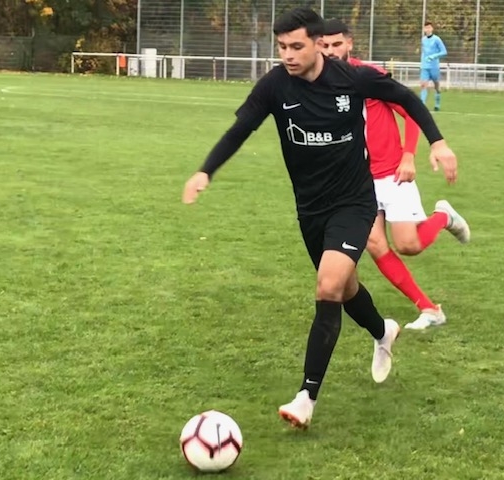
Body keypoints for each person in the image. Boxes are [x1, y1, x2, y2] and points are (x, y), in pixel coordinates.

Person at [182, 7, 458, 429]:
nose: (288, 55)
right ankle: (383, 331)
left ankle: (305, 398)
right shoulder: (275, 86)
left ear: (317, 45)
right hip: (310, 209)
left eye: (297, 46)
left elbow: (404, 98)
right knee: (345, 290)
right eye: (282, 47)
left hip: (354, 203)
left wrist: (437, 143)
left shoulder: (352, 79)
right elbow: (240, 130)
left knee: (328, 286)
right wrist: (206, 170)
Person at [322, 19, 470, 330]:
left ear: (349, 44)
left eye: (337, 44)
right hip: (358, 182)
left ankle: (443, 217)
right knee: (375, 244)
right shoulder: (316, 85)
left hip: (392, 173)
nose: (331, 51)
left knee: (408, 245)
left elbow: (409, 109)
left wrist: (408, 155)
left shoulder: (369, 76)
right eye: (324, 45)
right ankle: (429, 309)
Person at [420, 21, 448, 111]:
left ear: (432, 29)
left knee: (436, 86)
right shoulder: (423, 40)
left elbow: (444, 52)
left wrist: (433, 56)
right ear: (424, 29)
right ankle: (422, 106)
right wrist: (422, 62)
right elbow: (424, 52)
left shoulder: (437, 39)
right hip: (425, 67)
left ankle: (437, 104)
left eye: (429, 27)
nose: (427, 29)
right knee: (423, 85)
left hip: (434, 67)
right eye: (426, 28)